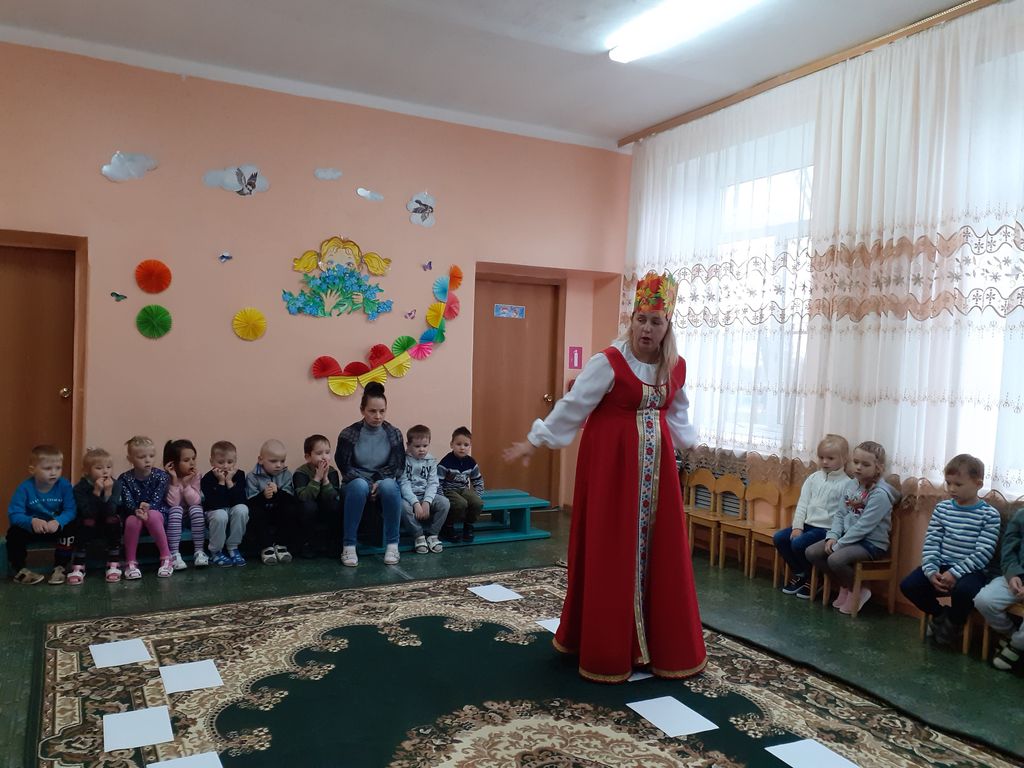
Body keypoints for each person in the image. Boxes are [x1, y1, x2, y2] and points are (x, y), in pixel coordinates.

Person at [504, 270, 706, 683]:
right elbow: (573, 405)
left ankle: (658, 644)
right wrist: (535, 440)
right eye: (641, 319)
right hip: (612, 469)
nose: (646, 329)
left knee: (661, 551)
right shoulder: (609, 362)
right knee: (613, 548)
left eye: (655, 321)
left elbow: (678, 411)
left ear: (667, 326)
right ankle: (608, 646)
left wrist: (690, 443)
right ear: (631, 321)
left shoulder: (675, 366)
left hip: (657, 473)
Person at [899, 454, 1000, 646]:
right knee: (909, 585)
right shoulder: (942, 509)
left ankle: (954, 622)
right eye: (948, 483)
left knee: (965, 591)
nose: (952, 489)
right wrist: (931, 571)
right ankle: (940, 615)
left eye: (958, 484)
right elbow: (932, 542)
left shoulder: (989, 515)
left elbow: (984, 552)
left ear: (978, 484)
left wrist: (955, 573)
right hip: (941, 565)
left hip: (972, 570)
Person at [805, 441, 898, 614]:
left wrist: (839, 545)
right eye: (856, 462)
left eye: (866, 464)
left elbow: (863, 527)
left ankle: (858, 589)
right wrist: (833, 536)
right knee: (812, 552)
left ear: (878, 467)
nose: (859, 467)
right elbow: (840, 514)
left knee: (835, 559)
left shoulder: (880, 494)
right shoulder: (851, 485)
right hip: (848, 538)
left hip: (871, 543)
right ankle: (846, 585)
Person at [335, 381, 406, 567]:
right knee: (359, 486)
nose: (377, 416)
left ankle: (393, 545)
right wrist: (367, 483)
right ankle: (349, 546)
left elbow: (398, 465)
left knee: (390, 486)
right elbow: (344, 465)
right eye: (372, 411)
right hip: (356, 481)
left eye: (382, 411)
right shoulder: (348, 433)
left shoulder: (394, 433)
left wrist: (377, 481)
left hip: (382, 480)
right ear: (362, 410)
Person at [776, 434, 856, 599]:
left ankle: (814, 578)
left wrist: (836, 534)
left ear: (844, 458)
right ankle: (802, 574)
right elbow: (803, 504)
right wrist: (797, 527)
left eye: (830, 458)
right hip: (807, 525)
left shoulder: (847, 484)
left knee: (799, 544)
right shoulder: (813, 478)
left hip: (826, 529)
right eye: (821, 457)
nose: (825, 462)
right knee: (780, 538)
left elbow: (844, 514)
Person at [6, 445, 77, 585]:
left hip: (54, 527)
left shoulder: (64, 485)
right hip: (33, 528)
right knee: (14, 533)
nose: (54, 473)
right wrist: (31, 521)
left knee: (71, 527)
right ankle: (20, 570)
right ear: (32, 470)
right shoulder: (24, 488)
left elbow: (71, 510)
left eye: (58, 468)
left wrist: (58, 521)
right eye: (47, 468)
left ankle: (60, 567)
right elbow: (14, 514)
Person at [974, 505, 1024, 671]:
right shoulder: (1021, 515)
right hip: (1015, 577)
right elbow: (1008, 551)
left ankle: (1016, 646)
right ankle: (1012, 636)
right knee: (984, 600)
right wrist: (1013, 574)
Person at [118, 436, 174, 579]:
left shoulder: (161, 476)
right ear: (130, 459)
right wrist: (136, 510)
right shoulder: (124, 479)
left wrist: (149, 507)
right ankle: (131, 562)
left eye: (151, 456)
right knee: (132, 520)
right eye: (142, 457)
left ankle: (166, 557)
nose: (147, 460)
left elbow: (158, 498)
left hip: (157, 514)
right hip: (135, 514)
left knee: (152, 515)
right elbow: (127, 501)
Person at [70, 448, 123, 584]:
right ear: (87, 471)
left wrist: (108, 492)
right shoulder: (80, 488)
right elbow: (87, 512)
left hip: (107, 522)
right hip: (89, 523)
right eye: (99, 468)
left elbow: (111, 511)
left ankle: (113, 562)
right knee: (85, 521)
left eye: (109, 467)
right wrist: (97, 492)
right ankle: (78, 565)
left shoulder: (116, 485)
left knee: (114, 520)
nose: (105, 471)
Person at [399, 424, 449, 554]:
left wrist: (427, 501)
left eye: (425, 446)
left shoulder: (431, 460)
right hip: (409, 497)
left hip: (425, 495)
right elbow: (403, 483)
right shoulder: (403, 460)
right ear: (408, 445)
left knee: (444, 503)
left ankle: (433, 535)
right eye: (417, 446)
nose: (422, 450)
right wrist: (415, 503)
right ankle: (418, 536)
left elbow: (433, 483)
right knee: (402, 506)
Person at [246, 439, 297, 565]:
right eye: (273, 461)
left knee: (290, 509)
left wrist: (278, 492)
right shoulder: (252, 476)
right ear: (260, 460)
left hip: (278, 512)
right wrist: (263, 496)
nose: (279, 465)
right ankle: (266, 547)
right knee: (255, 512)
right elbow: (250, 502)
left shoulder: (286, 475)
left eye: (282, 461)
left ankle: (281, 545)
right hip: (262, 513)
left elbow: (291, 499)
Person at [293, 434, 342, 558]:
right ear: (308, 457)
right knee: (309, 506)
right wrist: (317, 478)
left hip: (325, 507)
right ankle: (308, 544)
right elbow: (304, 497)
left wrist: (325, 479)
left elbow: (333, 496)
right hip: (308, 510)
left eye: (327, 452)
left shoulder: (332, 472)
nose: (324, 457)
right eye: (319, 453)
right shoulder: (301, 472)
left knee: (335, 505)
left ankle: (333, 543)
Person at [201, 440, 249, 567]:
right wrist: (221, 482)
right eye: (221, 462)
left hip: (231, 510)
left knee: (242, 509)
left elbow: (240, 500)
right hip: (214, 512)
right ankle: (215, 552)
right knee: (221, 514)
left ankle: (233, 547)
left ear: (235, 461)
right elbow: (216, 504)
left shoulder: (240, 475)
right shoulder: (207, 479)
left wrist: (229, 481)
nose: (225, 466)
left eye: (230, 462)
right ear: (212, 462)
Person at [163, 439, 208, 569]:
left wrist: (187, 485)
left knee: (196, 509)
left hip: (189, 518)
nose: (192, 463)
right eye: (186, 460)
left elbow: (196, 501)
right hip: (172, 519)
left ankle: (199, 551)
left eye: (193, 458)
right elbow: (173, 503)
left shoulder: (196, 475)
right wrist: (174, 481)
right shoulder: (166, 477)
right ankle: (174, 554)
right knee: (176, 510)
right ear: (173, 463)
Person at [437, 427, 484, 543]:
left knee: (478, 502)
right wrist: (442, 498)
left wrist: (477, 495)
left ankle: (468, 526)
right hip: (448, 491)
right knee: (460, 503)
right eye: (458, 444)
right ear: (451, 445)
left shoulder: (471, 462)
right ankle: (447, 527)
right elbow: (437, 482)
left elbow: (478, 480)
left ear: (470, 446)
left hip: (463, 490)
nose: (462, 448)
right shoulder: (446, 462)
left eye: (466, 445)